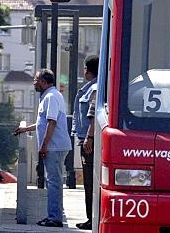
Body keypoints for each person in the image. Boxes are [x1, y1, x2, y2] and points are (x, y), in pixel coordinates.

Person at [13, 69, 72, 227]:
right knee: (52, 181)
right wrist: (26, 129)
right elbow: (43, 123)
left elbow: (52, 122)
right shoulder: (48, 96)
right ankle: (52, 215)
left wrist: (44, 146)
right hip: (53, 146)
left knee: (54, 182)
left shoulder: (51, 97)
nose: (34, 82)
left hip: (55, 146)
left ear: (45, 82)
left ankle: (55, 218)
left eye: (36, 79)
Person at [72, 56, 98, 230]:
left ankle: (92, 218)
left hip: (90, 141)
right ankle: (91, 217)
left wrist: (89, 138)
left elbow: (93, 115)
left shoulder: (94, 89)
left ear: (88, 69)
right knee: (88, 182)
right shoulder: (90, 88)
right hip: (87, 139)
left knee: (89, 182)